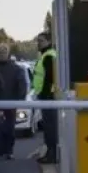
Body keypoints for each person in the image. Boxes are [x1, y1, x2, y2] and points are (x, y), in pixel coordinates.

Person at [0, 44, 27, 161]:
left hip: (11, 103)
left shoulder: (16, 68)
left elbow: (22, 85)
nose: (2, 54)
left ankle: (9, 150)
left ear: (8, 54)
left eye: (4, 52)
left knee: (10, 129)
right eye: (0, 52)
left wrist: (19, 100)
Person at [33, 31, 58, 164]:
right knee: (48, 126)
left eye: (41, 40)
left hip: (47, 96)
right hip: (45, 96)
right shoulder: (45, 55)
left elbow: (49, 78)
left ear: (48, 41)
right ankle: (50, 152)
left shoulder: (48, 56)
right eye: (38, 40)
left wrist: (45, 93)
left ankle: (52, 154)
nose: (38, 43)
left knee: (50, 127)